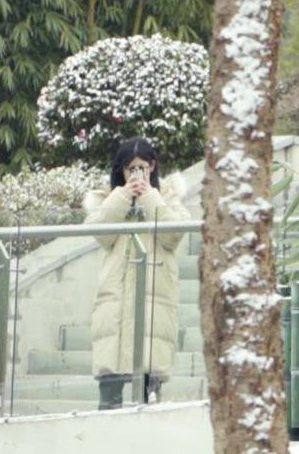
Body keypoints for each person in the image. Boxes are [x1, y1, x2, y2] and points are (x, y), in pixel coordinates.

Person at [84, 137, 190, 409]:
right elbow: (98, 234)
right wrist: (122, 196)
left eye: (142, 167)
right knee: (109, 396)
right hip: (115, 301)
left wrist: (149, 197)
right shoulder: (108, 199)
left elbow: (174, 235)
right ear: (121, 170)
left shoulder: (166, 198)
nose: (137, 174)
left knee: (148, 396)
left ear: (152, 166)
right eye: (131, 168)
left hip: (154, 302)